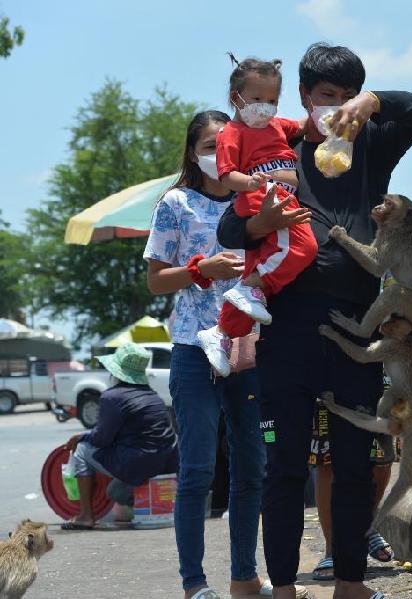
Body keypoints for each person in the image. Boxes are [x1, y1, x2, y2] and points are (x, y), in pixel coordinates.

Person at [218, 42, 412, 599]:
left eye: (345, 96)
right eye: (326, 97)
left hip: (357, 329)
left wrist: (372, 102)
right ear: (304, 97)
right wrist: (258, 222)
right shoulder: (278, 144)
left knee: (354, 465)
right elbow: (226, 231)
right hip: (288, 328)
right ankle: (285, 585)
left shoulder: (372, 144)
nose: (334, 108)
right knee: (284, 465)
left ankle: (350, 582)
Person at [145, 110, 288, 599]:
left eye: (222, 144)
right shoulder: (174, 203)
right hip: (192, 347)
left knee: (252, 467)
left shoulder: (252, 200)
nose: (215, 153)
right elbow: (154, 279)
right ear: (191, 152)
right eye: (207, 145)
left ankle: (244, 577)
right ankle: (194, 583)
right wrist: (199, 268)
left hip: (246, 347)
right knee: (199, 467)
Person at [197, 54, 318, 378]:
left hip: (280, 197)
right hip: (264, 199)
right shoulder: (232, 133)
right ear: (236, 98)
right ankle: (250, 286)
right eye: (257, 99)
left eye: (272, 100)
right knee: (303, 247)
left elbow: (307, 125)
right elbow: (225, 175)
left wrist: (331, 116)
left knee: (261, 284)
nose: (265, 107)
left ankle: (221, 334)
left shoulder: (278, 126)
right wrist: (248, 182)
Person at [61, 342, 178, 530]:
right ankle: (148, 503)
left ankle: (86, 516)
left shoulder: (112, 397)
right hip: (168, 461)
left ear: (115, 372)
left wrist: (80, 437)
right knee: (114, 492)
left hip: (140, 462)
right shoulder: (152, 395)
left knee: (82, 450)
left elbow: (101, 439)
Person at [308, 399, 395, 581]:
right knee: (326, 459)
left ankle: (366, 528)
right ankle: (332, 549)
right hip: (326, 376)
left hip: (376, 376)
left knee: (381, 457)